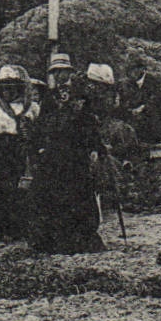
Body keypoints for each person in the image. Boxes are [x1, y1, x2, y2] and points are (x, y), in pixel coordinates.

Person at [31, 56, 107, 254]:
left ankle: (81, 237)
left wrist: (95, 148)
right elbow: (42, 123)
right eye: (55, 72)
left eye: (62, 71)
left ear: (70, 72)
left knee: (79, 192)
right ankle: (54, 239)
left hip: (76, 152)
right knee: (52, 192)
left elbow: (91, 123)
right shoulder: (49, 96)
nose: (59, 75)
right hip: (55, 152)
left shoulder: (81, 95)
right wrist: (40, 144)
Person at [0, 64, 38, 238]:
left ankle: (17, 227)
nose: (7, 91)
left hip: (21, 150)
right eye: (3, 88)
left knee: (19, 189)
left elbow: (39, 127)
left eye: (11, 87)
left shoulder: (31, 106)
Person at [120, 56, 161, 145]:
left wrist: (143, 107)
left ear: (142, 69)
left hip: (150, 112)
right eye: (129, 70)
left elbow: (159, 97)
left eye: (134, 70)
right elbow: (124, 99)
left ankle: (156, 141)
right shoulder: (127, 83)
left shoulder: (153, 81)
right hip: (133, 112)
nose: (131, 74)